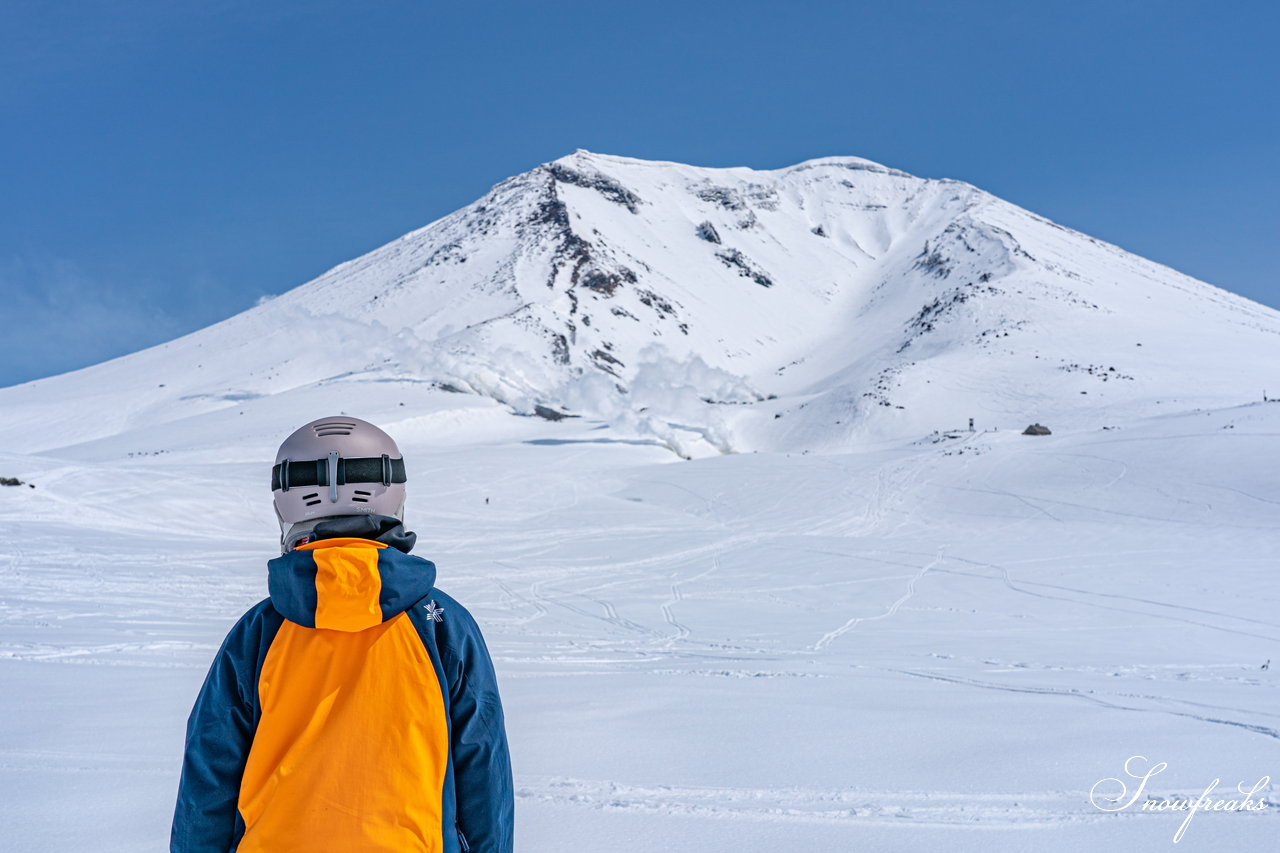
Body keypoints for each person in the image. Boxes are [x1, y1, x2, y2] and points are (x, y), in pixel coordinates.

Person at [171, 416, 513, 852]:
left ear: (284, 505)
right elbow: (483, 768)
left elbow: (209, 774)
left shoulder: (260, 631)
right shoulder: (441, 623)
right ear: (395, 497)